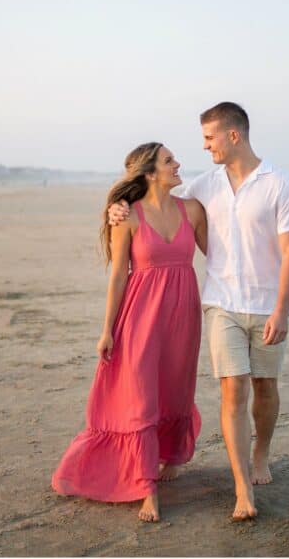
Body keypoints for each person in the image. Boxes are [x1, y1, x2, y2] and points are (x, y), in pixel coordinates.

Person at [108, 102, 289, 521]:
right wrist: (118, 208)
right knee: (233, 389)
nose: (203, 147)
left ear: (233, 136)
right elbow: (158, 200)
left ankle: (261, 452)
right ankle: (242, 491)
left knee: (265, 388)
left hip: (268, 305)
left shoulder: (281, 184)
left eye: (209, 138)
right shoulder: (204, 185)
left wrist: (282, 311)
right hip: (222, 305)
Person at [52, 142, 208, 522]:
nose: (178, 164)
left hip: (183, 315)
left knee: (173, 386)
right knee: (139, 396)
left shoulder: (193, 210)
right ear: (150, 173)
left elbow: (221, 256)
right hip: (140, 316)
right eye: (169, 161)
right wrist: (107, 330)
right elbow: (119, 274)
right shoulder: (128, 217)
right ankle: (145, 487)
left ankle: (169, 456)